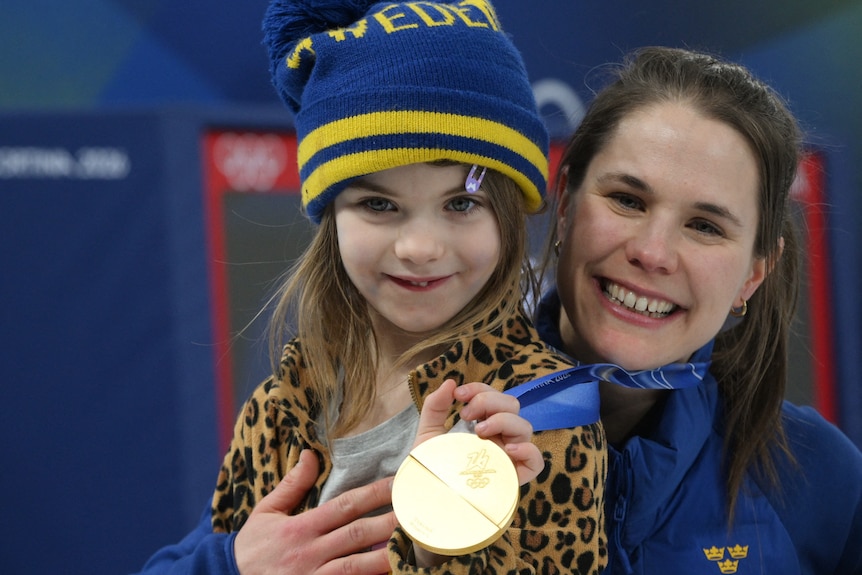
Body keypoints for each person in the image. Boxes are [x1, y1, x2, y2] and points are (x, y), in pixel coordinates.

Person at [135, 1, 606, 574]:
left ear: (509, 217)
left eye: (461, 203)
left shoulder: (540, 415)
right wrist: (233, 564)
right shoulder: (284, 402)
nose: (420, 246)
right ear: (330, 216)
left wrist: (439, 541)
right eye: (379, 204)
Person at [534, 45, 862, 573]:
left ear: (753, 275)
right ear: (568, 204)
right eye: (627, 200)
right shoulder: (434, 435)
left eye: (705, 227)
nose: (653, 252)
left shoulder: (819, 476)